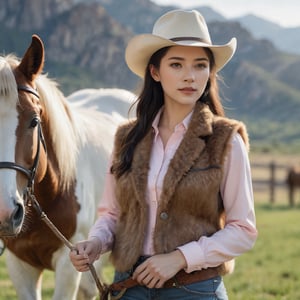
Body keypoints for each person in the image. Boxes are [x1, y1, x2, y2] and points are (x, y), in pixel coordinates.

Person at [69, 9, 258, 300]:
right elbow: (112, 214)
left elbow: (243, 229)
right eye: (176, 64)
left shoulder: (225, 141)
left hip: (193, 289)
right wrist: (95, 243)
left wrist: (180, 258)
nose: (189, 76)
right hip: (128, 287)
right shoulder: (125, 139)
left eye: (199, 65)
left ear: (210, 73)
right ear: (155, 72)